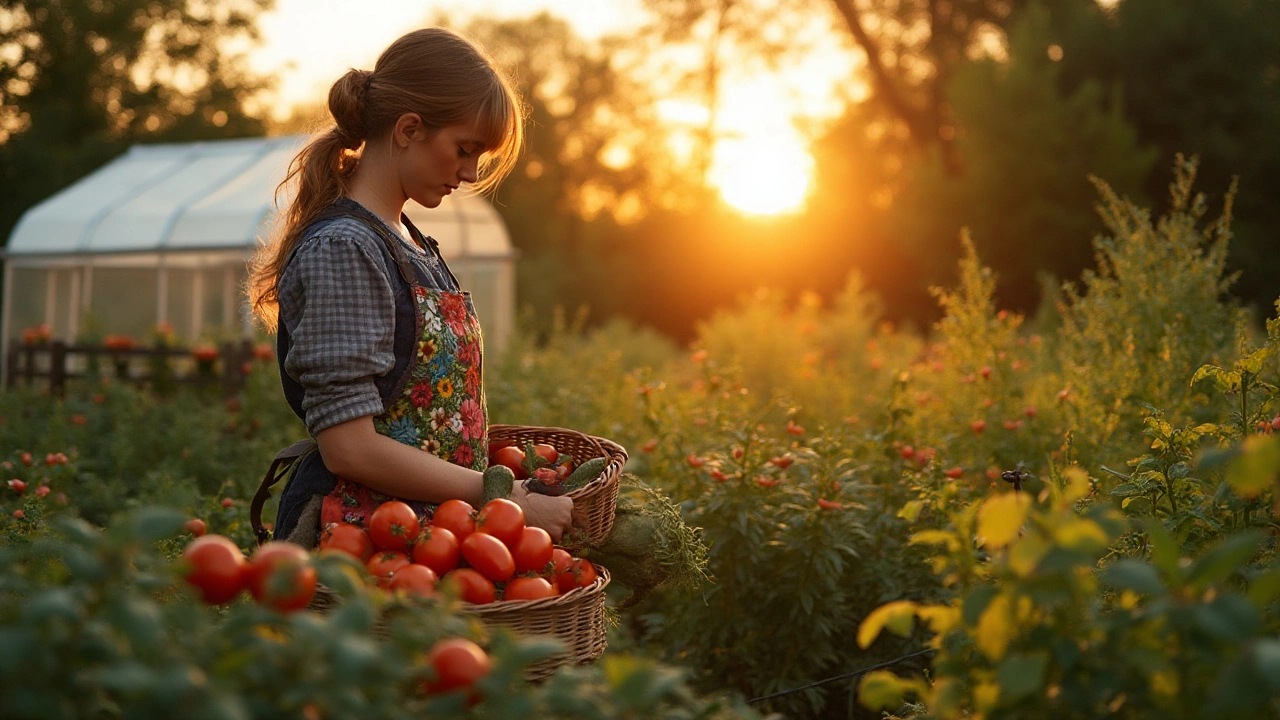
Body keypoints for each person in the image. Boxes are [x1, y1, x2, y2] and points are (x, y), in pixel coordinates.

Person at [248, 27, 574, 547]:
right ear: (408, 129)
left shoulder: (411, 242)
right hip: (367, 540)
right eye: (464, 149)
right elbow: (349, 448)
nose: (469, 173)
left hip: (436, 536)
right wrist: (500, 494)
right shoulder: (345, 249)